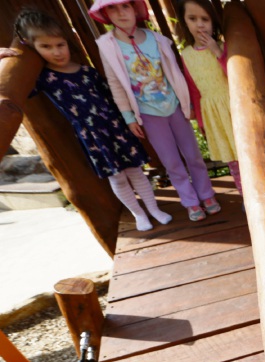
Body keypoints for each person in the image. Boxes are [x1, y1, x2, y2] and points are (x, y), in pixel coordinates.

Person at [2, 9, 171, 232]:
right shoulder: (45, 79)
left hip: (115, 128)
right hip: (93, 137)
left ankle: (154, 209)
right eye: (46, 47)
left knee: (136, 171)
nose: (56, 52)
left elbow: (111, 98)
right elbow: (15, 91)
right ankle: (139, 214)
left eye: (59, 45)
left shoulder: (87, 72)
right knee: (118, 178)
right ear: (34, 48)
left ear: (66, 42)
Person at [89, 0, 220, 222]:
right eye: (113, 8)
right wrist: (129, 118)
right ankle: (190, 201)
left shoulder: (155, 38)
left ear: (134, 9)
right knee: (171, 162)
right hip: (149, 115)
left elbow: (174, 73)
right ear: (104, 13)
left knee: (193, 155)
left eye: (125, 6)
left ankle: (206, 195)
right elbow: (115, 84)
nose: (121, 13)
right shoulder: (108, 46)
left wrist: (186, 103)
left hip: (175, 107)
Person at [174, 0, 241, 194]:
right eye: (193, 19)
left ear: (214, 22)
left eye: (205, 19)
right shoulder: (186, 55)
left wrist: (217, 52)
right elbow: (194, 91)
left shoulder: (224, 46)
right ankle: (245, 195)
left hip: (233, 107)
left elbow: (233, 74)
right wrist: (202, 123)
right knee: (233, 160)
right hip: (214, 114)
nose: (200, 24)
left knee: (248, 152)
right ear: (185, 22)